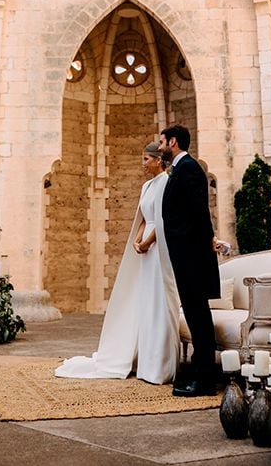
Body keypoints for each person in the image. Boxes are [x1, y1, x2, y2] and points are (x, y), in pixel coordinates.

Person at [54, 142, 180, 384]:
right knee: (145, 300)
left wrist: (148, 242)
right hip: (145, 246)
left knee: (158, 300)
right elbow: (143, 217)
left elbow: (163, 218)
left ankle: (160, 364)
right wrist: (136, 240)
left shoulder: (166, 182)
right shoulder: (146, 186)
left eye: (145, 159)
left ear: (157, 161)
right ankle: (144, 361)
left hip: (159, 246)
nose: (142, 164)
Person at [158, 124, 221, 397]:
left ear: (173, 142)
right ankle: (199, 374)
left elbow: (199, 213)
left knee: (198, 316)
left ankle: (204, 379)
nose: (159, 147)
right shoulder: (181, 169)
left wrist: (206, 242)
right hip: (185, 253)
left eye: (161, 142)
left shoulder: (190, 169)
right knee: (196, 315)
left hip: (192, 255)